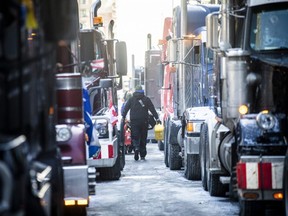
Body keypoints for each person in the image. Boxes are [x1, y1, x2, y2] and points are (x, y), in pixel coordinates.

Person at [122, 85, 160, 161]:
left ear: (135, 91)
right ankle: (142, 154)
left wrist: (123, 117)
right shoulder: (146, 99)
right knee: (143, 137)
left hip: (134, 121)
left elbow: (125, 109)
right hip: (144, 121)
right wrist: (157, 118)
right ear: (142, 91)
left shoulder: (131, 99)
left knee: (135, 136)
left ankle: (136, 147)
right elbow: (152, 109)